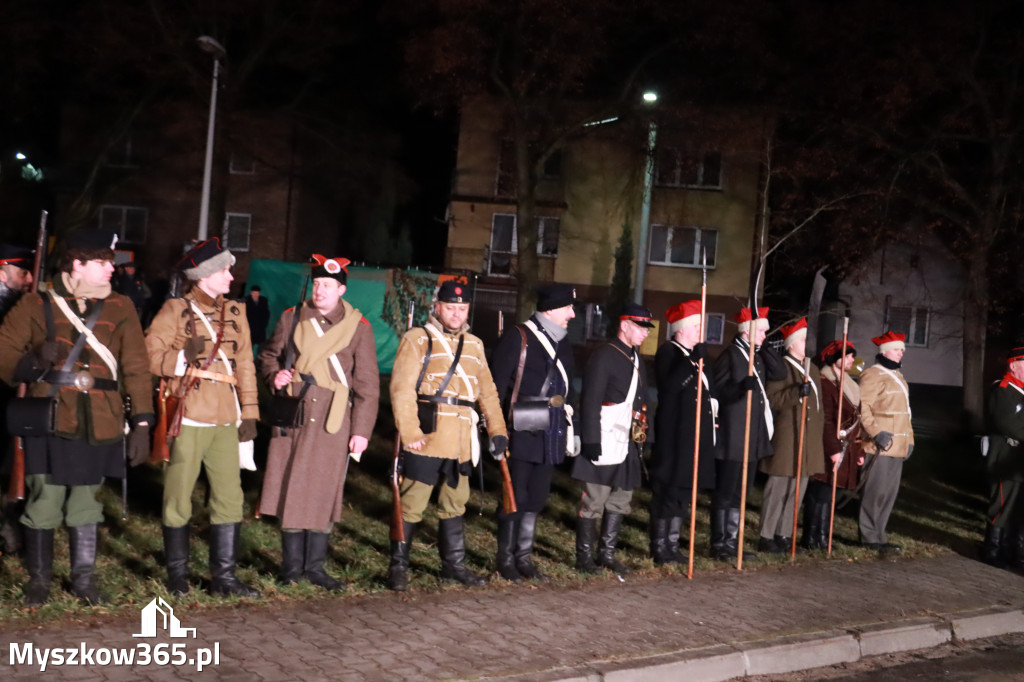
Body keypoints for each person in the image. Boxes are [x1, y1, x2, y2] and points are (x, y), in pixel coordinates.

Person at [0, 230, 153, 604]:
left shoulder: (121, 307)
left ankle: (84, 582)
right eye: (102, 263)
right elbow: (3, 354)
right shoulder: (37, 303)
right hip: (49, 416)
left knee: (86, 503)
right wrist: (34, 361)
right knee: (44, 500)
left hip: (99, 419)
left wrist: (144, 422)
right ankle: (40, 581)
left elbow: (136, 365)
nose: (110, 270)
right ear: (78, 264)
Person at [145, 238, 260, 597]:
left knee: (229, 496)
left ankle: (223, 579)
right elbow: (149, 355)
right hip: (189, 413)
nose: (231, 275)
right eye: (225, 269)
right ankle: (177, 576)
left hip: (226, 414)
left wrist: (251, 412)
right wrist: (182, 357)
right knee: (178, 495)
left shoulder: (237, 312)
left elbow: (245, 365)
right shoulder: (176, 310)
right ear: (206, 274)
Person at [257, 255, 379, 590]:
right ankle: (291, 569)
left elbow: (367, 383)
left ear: (341, 289)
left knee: (324, 491)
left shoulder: (358, 326)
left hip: (333, 417)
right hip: (294, 412)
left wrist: (361, 432)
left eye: (328, 285)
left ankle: (316, 568)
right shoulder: (292, 317)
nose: (320, 290)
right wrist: (275, 376)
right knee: (291, 487)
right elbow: (269, 355)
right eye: (317, 284)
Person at [388, 280, 508, 591]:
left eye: (462, 308)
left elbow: (489, 393)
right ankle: (398, 566)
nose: (456, 314)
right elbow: (401, 389)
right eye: (451, 308)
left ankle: (453, 566)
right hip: (428, 436)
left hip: (461, 441)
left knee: (456, 502)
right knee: (412, 502)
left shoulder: (476, 344)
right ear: (438, 307)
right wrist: (410, 431)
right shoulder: (418, 339)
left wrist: (498, 431)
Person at [489, 283, 577, 582]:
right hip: (523, 424)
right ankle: (505, 559)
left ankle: (523, 557)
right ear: (551, 309)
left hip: (552, 426)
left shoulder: (563, 342)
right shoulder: (519, 336)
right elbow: (496, 385)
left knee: (537, 496)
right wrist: (495, 429)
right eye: (569, 308)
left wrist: (571, 429)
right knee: (515, 494)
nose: (573, 314)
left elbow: (568, 388)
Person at [571, 302, 653, 575]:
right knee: (594, 500)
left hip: (628, 441)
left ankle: (607, 554)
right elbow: (591, 399)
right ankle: (584, 557)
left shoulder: (636, 358)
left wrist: (642, 440)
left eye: (647, 328)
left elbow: (640, 404)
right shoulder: (604, 355)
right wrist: (590, 438)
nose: (645, 333)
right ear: (624, 325)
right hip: (604, 438)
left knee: (620, 499)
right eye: (641, 327)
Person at [709, 306, 786, 561]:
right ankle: (720, 543)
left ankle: (734, 540)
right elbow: (717, 391)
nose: (766, 335)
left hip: (752, 438)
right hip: (732, 436)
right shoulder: (730, 355)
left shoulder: (757, 355)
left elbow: (780, 372)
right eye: (762, 331)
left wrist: (762, 347)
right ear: (747, 331)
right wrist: (740, 387)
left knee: (741, 493)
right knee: (726, 492)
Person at [649, 300, 716, 565]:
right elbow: (670, 385)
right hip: (674, 436)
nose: (701, 330)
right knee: (667, 490)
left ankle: (673, 542)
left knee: (683, 492)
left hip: (693, 436)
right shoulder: (669, 352)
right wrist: (691, 360)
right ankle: (659, 544)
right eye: (696, 326)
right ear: (682, 329)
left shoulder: (695, 356)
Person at [759, 317, 825, 553]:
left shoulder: (813, 369)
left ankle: (784, 533)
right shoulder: (782, 367)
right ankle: (766, 534)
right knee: (778, 488)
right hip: (787, 437)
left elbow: (819, 410)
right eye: (804, 339)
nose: (808, 343)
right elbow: (773, 399)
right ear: (791, 344)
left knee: (797, 489)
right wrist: (796, 393)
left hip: (807, 439)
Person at [857, 330, 914, 555]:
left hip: (897, 447)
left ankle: (880, 534)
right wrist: (875, 432)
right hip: (878, 445)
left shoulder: (899, 377)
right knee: (875, 492)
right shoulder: (872, 375)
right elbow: (863, 408)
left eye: (902, 349)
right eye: (898, 348)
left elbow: (905, 414)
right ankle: (869, 535)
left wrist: (909, 440)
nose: (902, 353)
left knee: (888, 494)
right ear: (884, 350)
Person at [804, 339, 864, 550]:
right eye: (847, 356)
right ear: (835, 358)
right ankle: (812, 538)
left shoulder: (850, 386)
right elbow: (826, 420)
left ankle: (824, 537)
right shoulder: (826, 383)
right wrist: (833, 450)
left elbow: (856, 420)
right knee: (820, 494)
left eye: (851, 356)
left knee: (832, 496)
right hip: (830, 448)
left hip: (847, 449)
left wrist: (859, 449)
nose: (851, 360)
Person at [0, 243, 36, 556]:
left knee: (13, 464)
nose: (28, 278)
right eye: (22, 271)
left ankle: (11, 527)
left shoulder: (24, 305)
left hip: (12, 397)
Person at [980, 344, 1024, 569]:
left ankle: (1013, 552)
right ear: (1014, 365)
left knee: (1018, 510)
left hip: (1018, 461)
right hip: (1004, 458)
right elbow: (1006, 422)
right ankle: (992, 551)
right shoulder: (1004, 389)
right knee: (1002, 506)